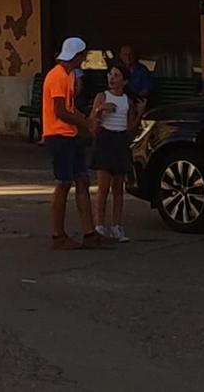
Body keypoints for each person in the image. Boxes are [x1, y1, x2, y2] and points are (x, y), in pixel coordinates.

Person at [42, 36, 103, 250]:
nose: (85, 58)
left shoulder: (67, 76)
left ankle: (89, 232)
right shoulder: (58, 76)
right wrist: (85, 123)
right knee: (64, 183)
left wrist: (86, 122)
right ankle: (58, 235)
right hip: (58, 135)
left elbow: (69, 108)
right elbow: (60, 111)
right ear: (76, 55)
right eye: (83, 55)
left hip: (69, 134)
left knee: (81, 180)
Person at [88, 61, 134, 242]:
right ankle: (99, 225)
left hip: (120, 140)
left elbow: (130, 128)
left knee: (118, 188)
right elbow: (92, 123)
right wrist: (100, 110)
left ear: (124, 81)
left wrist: (138, 114)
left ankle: (116, 225)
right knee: (103, 187)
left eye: (116, 75)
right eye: (110, 74)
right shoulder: (102, 96)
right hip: (105, 140)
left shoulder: (127, 101)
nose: (112, 78)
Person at [117, 44, 152, 125]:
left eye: (130, 54)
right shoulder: (117, 69)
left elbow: (146, 90)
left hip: (136, 101)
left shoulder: (142, 70)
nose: (128, 57)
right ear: (120, 56)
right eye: (125, 54)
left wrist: (134, 98)